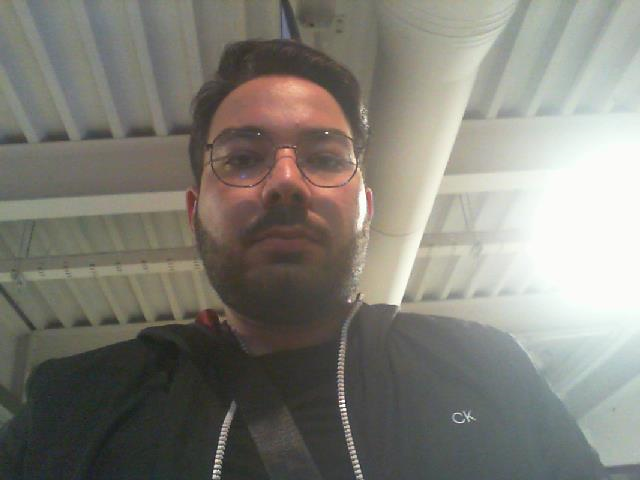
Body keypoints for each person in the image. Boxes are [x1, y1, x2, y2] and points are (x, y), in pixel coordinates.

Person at [0, 39, 606, 479]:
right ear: (195, 210)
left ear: (366, 206)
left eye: (325, 157)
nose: (286, 182)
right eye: (242, 159)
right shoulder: (74, 403)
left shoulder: (486, 368)